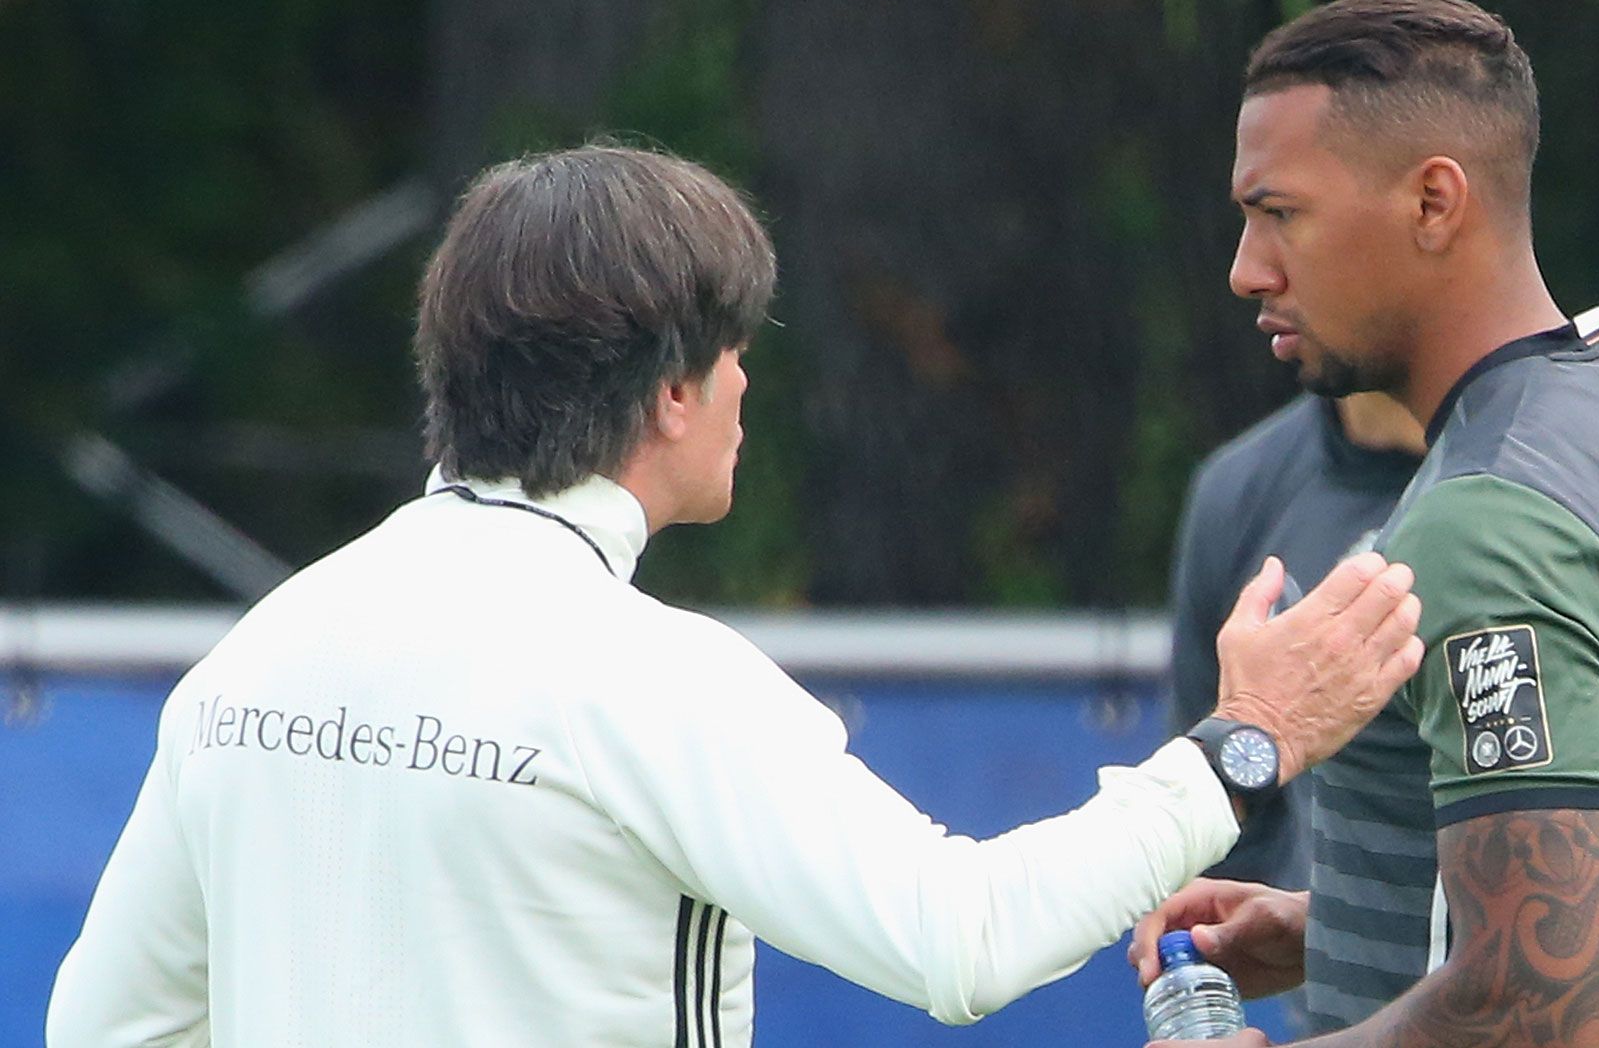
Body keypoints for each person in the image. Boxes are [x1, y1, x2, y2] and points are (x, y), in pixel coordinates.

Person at [43, 145, 1426, 1047]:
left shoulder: (257, 654)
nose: (748, 386)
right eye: (734, 351)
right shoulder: (646, 679)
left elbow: (105, 1030)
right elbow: (964, 938)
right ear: (670, 393)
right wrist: (1248, 744)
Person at [1131, 0, 1599, 1047]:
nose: (1248, 268)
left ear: (1435, 202)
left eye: (1279, 212)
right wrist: (1342, 927)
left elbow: (1539, 999)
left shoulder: (1484, 518)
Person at [1168, 392, 1424, 892]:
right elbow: (1221, 825)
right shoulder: (1238, 488)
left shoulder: (1551, 465)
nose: (1255, 306)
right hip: (1327, 966)